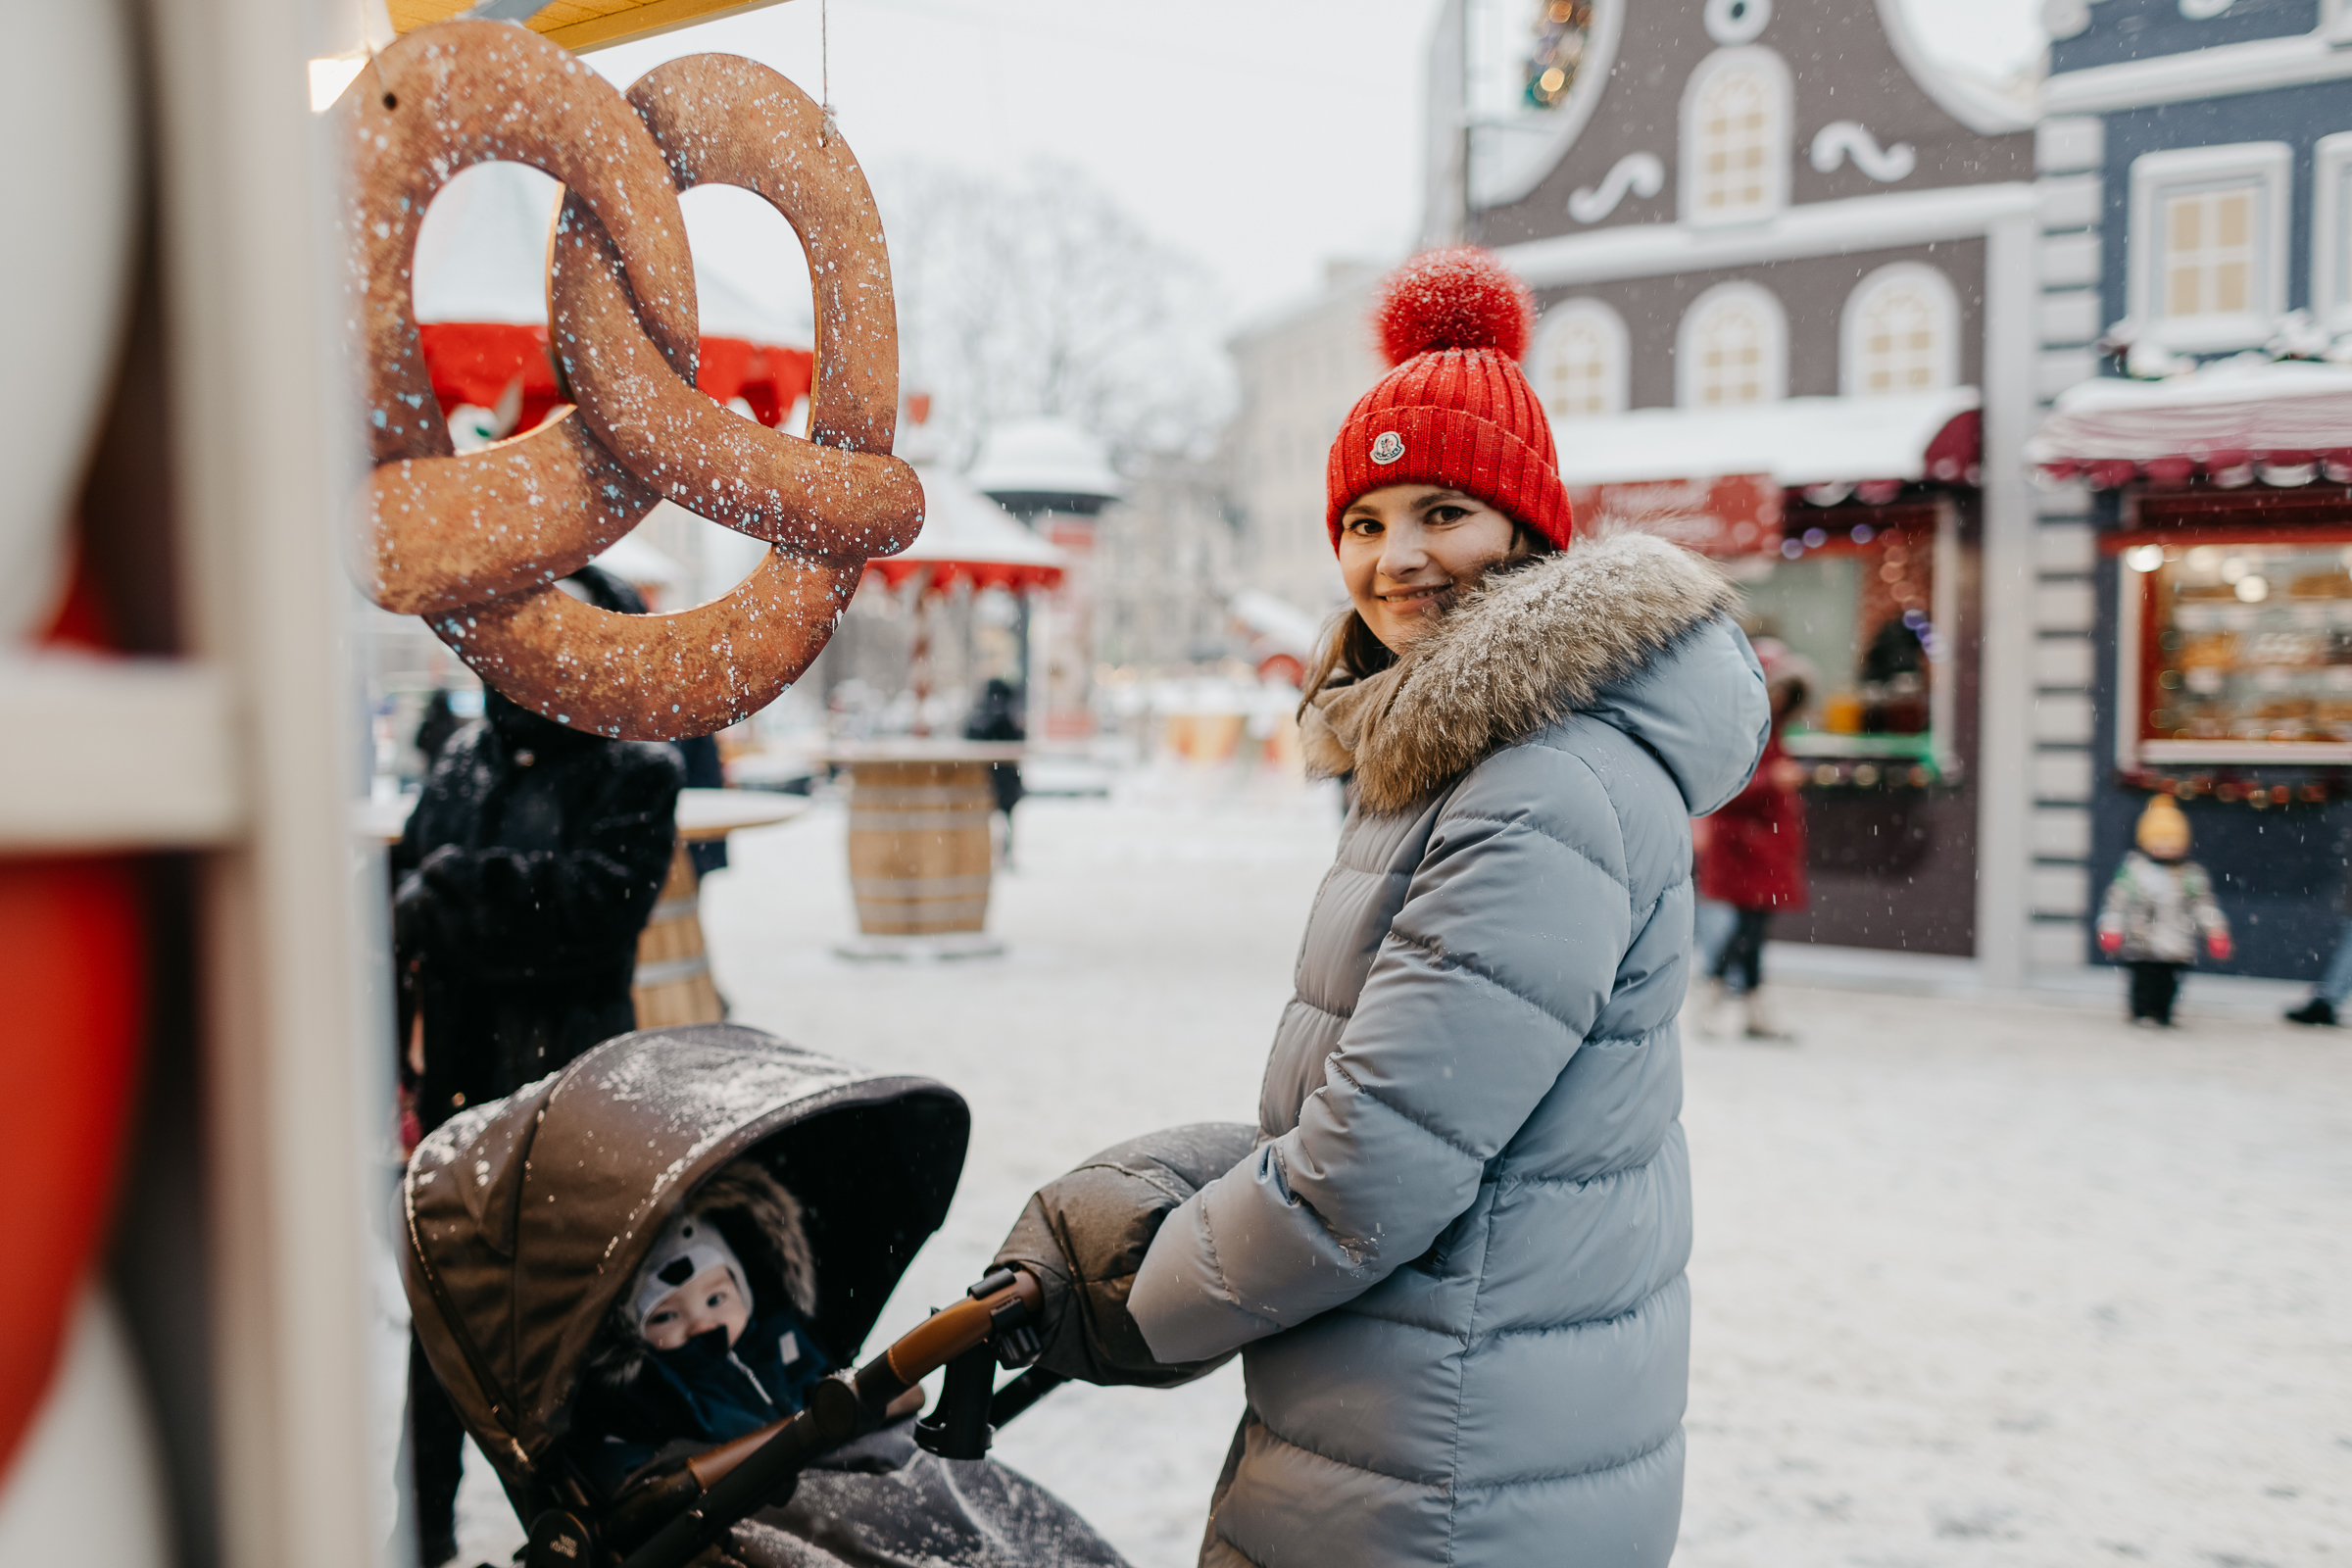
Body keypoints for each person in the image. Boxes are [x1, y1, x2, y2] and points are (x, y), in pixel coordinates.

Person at [1125, 249, 1769, 1568]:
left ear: (1526, 533)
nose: (1395, 557)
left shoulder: (1540, 785)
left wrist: (1145, 1306)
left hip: (1455, 1459)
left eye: (1442, 513)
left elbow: (1374, 1163)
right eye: (1363, 522)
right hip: (1447, 1410)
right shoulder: (1455, 757)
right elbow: (1401, 1092)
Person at [390, 566, 685, 1568]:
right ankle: (418, 1532)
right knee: (443, 1335)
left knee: (568, 1338)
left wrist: (453, 894)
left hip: (570, 1094)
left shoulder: (634, 770)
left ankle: (580, 1540)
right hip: (457, 1092)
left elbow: (592, 915)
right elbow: (404, 889)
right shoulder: (468, 756)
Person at [1693, 639, 1813, 1041]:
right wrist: (1771, 781)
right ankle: (1722, 998)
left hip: (1766, 847)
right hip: (1745, 846)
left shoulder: (1769, 730)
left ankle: (1746, 1007)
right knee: (1748, 930)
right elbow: (1723, 787)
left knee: (1754, 929)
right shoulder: (1741, 731)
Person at [2098, 793, 2230, 1027]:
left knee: (2169, 983)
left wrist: (2215, 931)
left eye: (2172, 842)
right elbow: (2117, 903)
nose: (2166, 848)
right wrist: (2111, 927)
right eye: (2159, 841)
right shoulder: (2134, 872)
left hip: (2177, 943)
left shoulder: (2190, 876)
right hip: (2141, 941)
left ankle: (2163, 1012)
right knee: (2143, 979)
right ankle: (2141, 1011)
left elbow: (2203, 905)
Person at [963, 676, 1026, 864]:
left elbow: (970, 737)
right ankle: (1003, 854)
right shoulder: (1007, 716)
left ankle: (987, 854)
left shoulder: (981, 715)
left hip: (987, 778)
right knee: (1005, 820)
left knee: (985, 820)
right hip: (1004, 778)